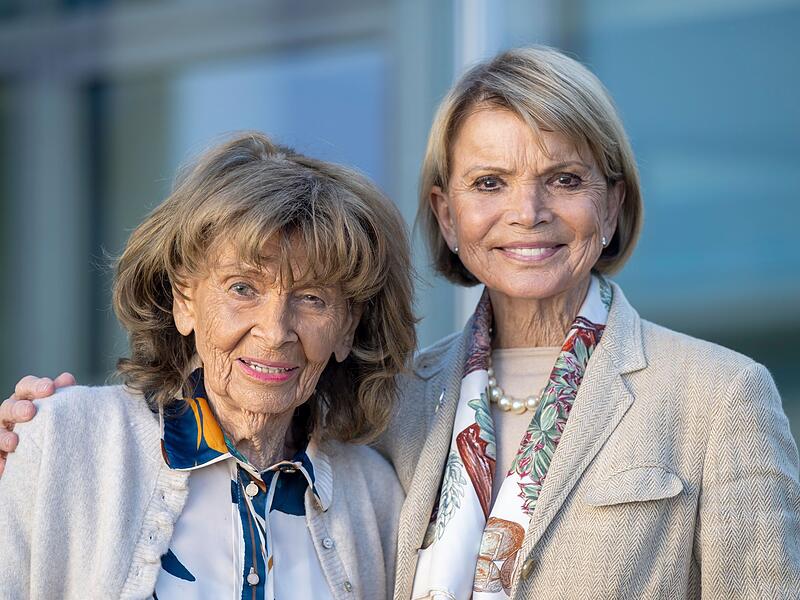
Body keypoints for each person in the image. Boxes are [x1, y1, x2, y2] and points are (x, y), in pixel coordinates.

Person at [3, 47, 800, 599]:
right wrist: (32, 437)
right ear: (446, 216)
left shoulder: (718, 398)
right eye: (490, 182)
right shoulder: (398, 408)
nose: (527, 213)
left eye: (563, 178)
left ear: (612, 202)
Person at [0, 132, 415, 599]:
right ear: (184, 300)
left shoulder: (376, 499)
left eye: (312, 298)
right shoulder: (64, 441)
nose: (275, 331)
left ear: (346, 328)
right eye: (243, 288)